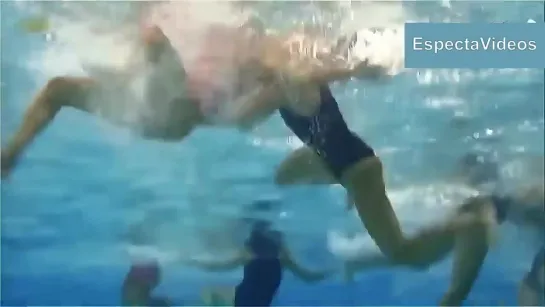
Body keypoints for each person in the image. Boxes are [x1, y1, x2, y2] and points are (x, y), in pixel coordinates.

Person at [1, 13, 381, 179]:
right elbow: (57, 92)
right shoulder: (205, 86)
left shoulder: (216, 74)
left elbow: (295, 73)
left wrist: (351, 69)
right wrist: (14, 149)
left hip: (178, 111)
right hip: (170, 112)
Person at [339, 153, 544, 306]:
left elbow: (532, 283)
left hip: (497, 206)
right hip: (484, 203)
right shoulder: (525, 198)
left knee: (422, 258)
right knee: (424, 257)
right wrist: (488, 221)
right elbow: (483, 205)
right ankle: (355, 262)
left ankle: (355, 262)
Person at [187, 200, 331, 307]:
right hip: (250, 301)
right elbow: (307, 276)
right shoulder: (273, 255)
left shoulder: (265, 254)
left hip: (250, 300)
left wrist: (328, 271)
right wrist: (329, 271)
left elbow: (219, 266)